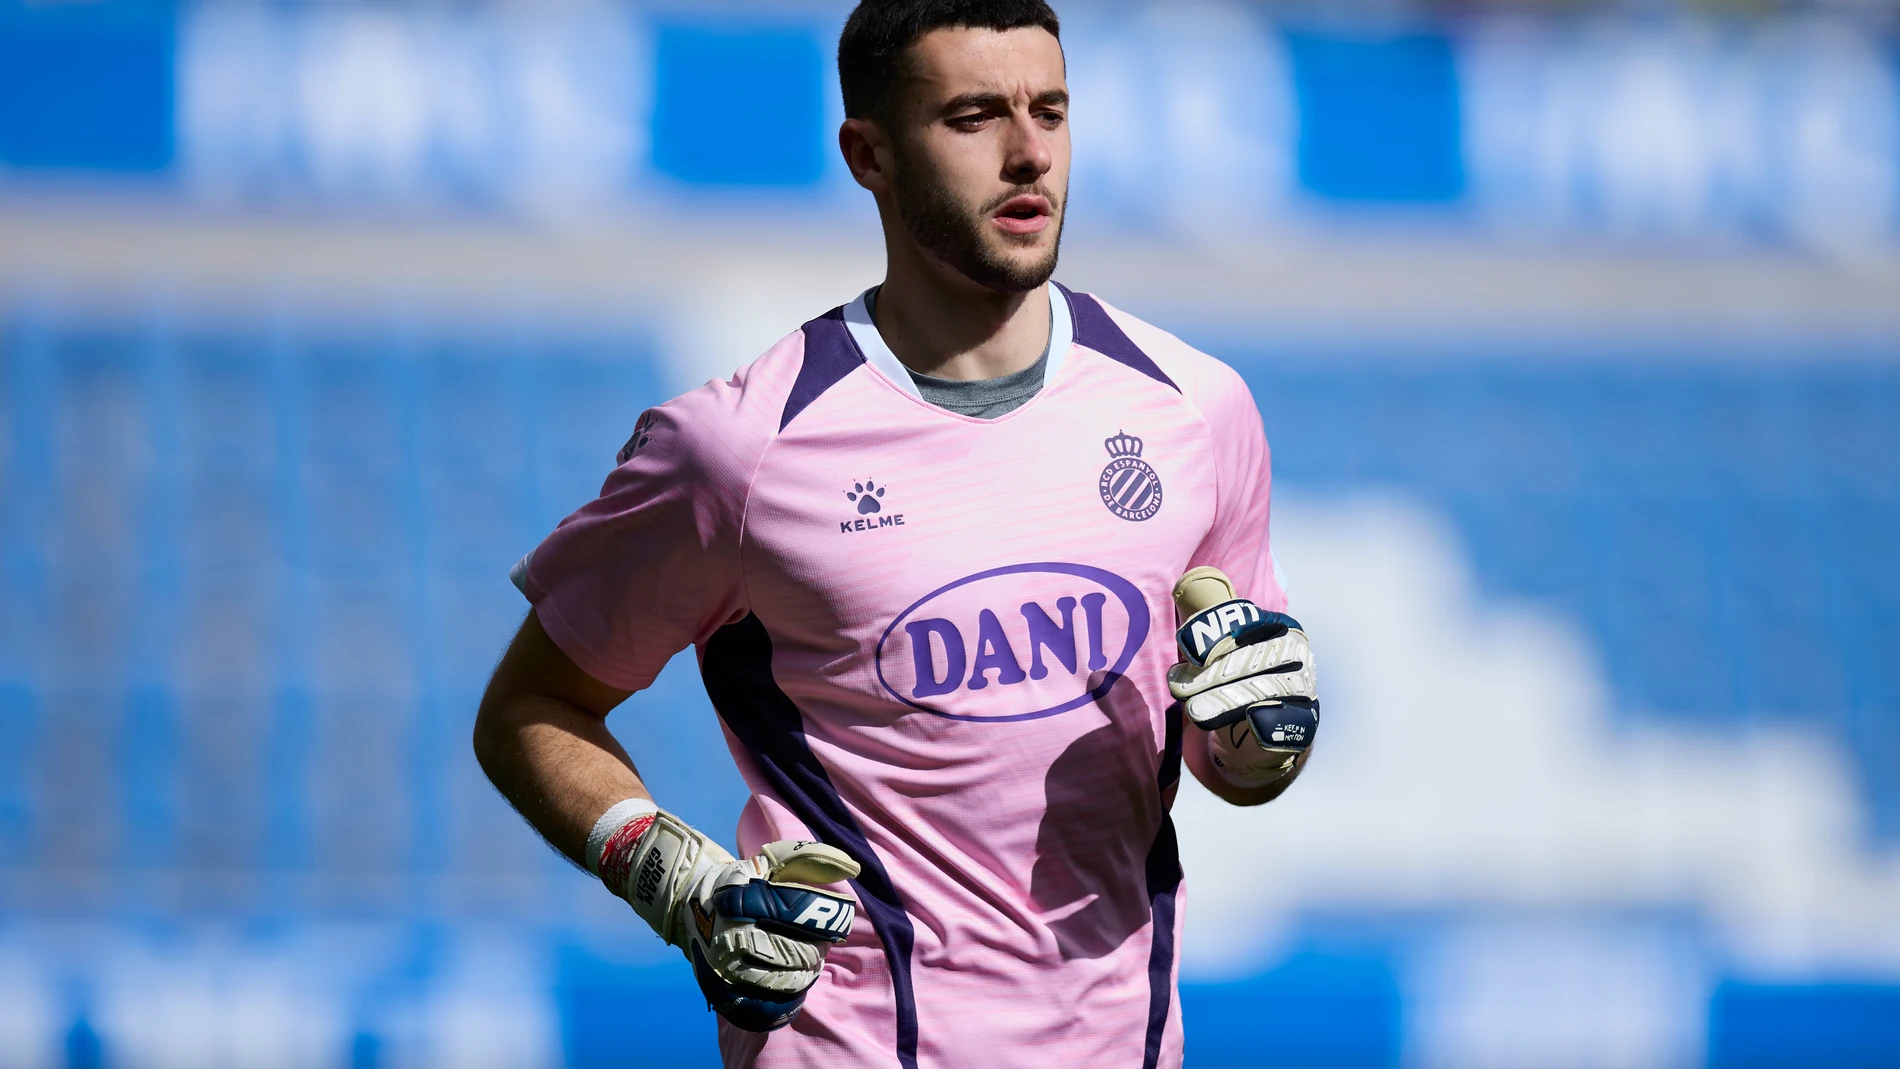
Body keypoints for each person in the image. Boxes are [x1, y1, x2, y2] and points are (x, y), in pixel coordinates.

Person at [472, 2, 1319, 1066]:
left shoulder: (1196, 408)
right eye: (972, 117)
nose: (1027, 154)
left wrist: (1256, 741)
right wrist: (679, 882)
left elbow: (1232, 759)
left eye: (1048, 110)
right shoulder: (739, 448)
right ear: (867, 153)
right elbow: (530, 708)